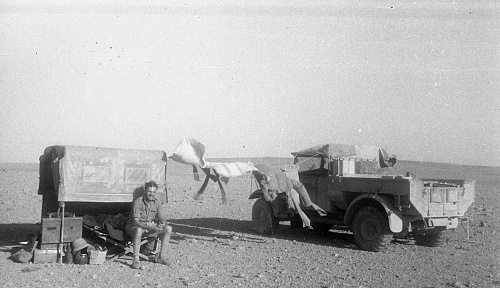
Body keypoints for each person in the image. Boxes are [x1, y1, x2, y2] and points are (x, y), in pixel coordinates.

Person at [125, 180, 172, 269]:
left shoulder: (157, 202)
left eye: (154, 192)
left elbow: (162, 217)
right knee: (138, 230)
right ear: (145, 191)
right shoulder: (138, 201)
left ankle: (161, 257)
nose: (151, 194)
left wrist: (162, 223)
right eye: (149, 191)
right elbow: (136, 221)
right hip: (134, 227)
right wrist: (149, 227)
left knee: (168, 229)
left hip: (149, 227)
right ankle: (136, 259)